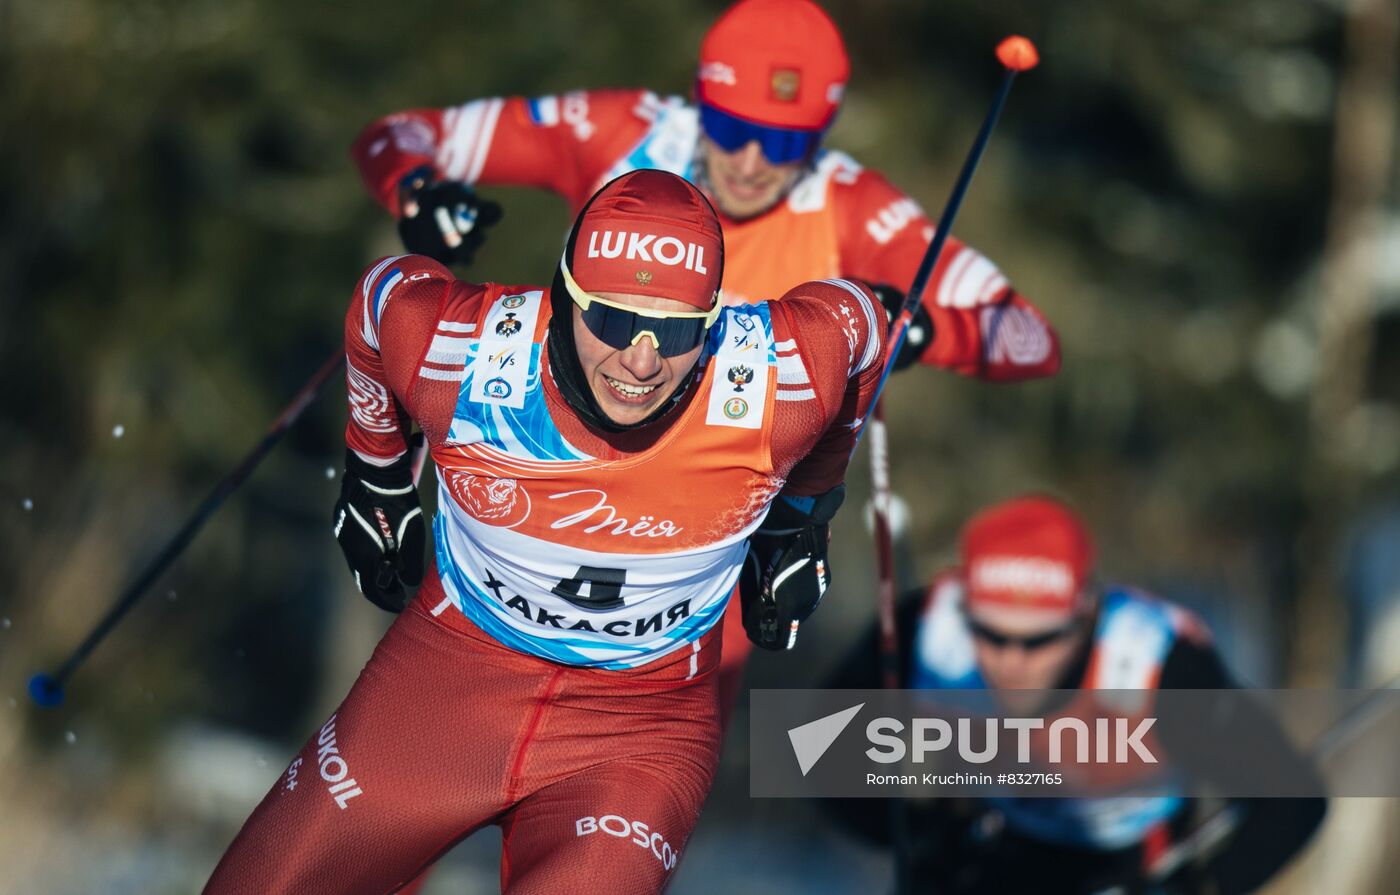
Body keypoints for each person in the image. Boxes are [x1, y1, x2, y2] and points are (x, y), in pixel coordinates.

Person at [351, 0, 1062, 719]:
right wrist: (418, 192)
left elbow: (1030, 336)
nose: (752, 163)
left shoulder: (849, 202)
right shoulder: (624, 133)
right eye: (731, 129)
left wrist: (925, 330)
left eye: (787, 144)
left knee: (635, 777)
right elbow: (398, 135)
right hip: (543, 489)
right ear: (701, 101)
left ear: (822, 135)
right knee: (442, 736)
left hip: (707, 543)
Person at [203, 168, 891, 894]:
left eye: (679, 329)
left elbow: (863, 326)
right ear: (565, 297)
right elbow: (381, 300)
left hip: (635, 735)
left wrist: (804, 514)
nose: (643, 359)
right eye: (615, 320)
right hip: (442, 691)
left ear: (714, 317)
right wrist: (374, 469)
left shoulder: (774, 380)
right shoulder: (462, 354)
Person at [829, 496, 1327, 894]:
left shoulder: (1158, 666)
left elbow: (1293, 801)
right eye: (991, 636)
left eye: (1039, 640)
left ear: (1087, 614)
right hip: (992, 848)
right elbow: (815, 746)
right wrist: (911, 833)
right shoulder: (929, 631)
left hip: (1129, 859)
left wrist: (1203, 886)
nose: (1011, 661)